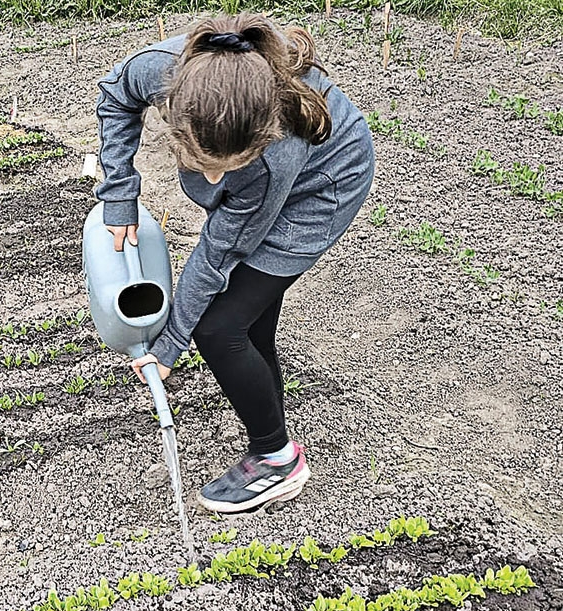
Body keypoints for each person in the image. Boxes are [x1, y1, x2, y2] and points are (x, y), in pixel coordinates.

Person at [93, 13, 375, 513]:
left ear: (259, 140)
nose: (213, 177)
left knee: (219, 327)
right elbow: (117, 94)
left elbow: (218, 253)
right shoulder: (163, 71)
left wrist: (170, 343)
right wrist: (119, 194)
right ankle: (266, 405)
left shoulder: (272, 161)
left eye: (228, 166)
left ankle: (276, 458)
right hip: (270, 175)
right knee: (245, 320)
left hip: (318, 191)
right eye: (202, 162)